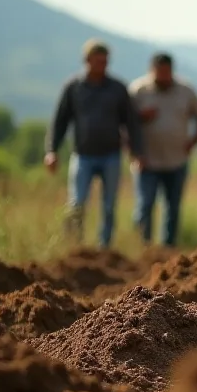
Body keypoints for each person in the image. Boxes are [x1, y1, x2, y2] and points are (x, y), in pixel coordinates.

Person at [44, 38, 145, 250]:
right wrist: (52, 150)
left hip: (111, 155)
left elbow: (131, 122)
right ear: (87, 60)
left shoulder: (117, 88)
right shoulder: (73, 88)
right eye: (98, 61)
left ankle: (104, 248)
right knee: (77, 203)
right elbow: (60, 121)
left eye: (105, 61)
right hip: (82, 155)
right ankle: (74, 247)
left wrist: (136, 151)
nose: (103, 65)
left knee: (109, 206)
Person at [127, 52, 197, 248]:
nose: (163, 77)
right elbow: (125, 123)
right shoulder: (138, 91)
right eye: (159, 72)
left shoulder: (186, 90)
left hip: (177, 160)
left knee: (172, 208)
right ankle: (141, 247)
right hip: (146, 161)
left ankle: (168, 249)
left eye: (167, 72)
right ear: (151, 71)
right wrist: (139, 121)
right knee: (144, 206)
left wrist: (193, 141)